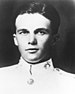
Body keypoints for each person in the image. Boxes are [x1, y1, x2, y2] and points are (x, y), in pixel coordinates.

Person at [0, 1, 75, 94]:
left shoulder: (70, 84)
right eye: (24, 32)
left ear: (54, 39)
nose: (31, 41)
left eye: (41, 32)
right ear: (15, 39)